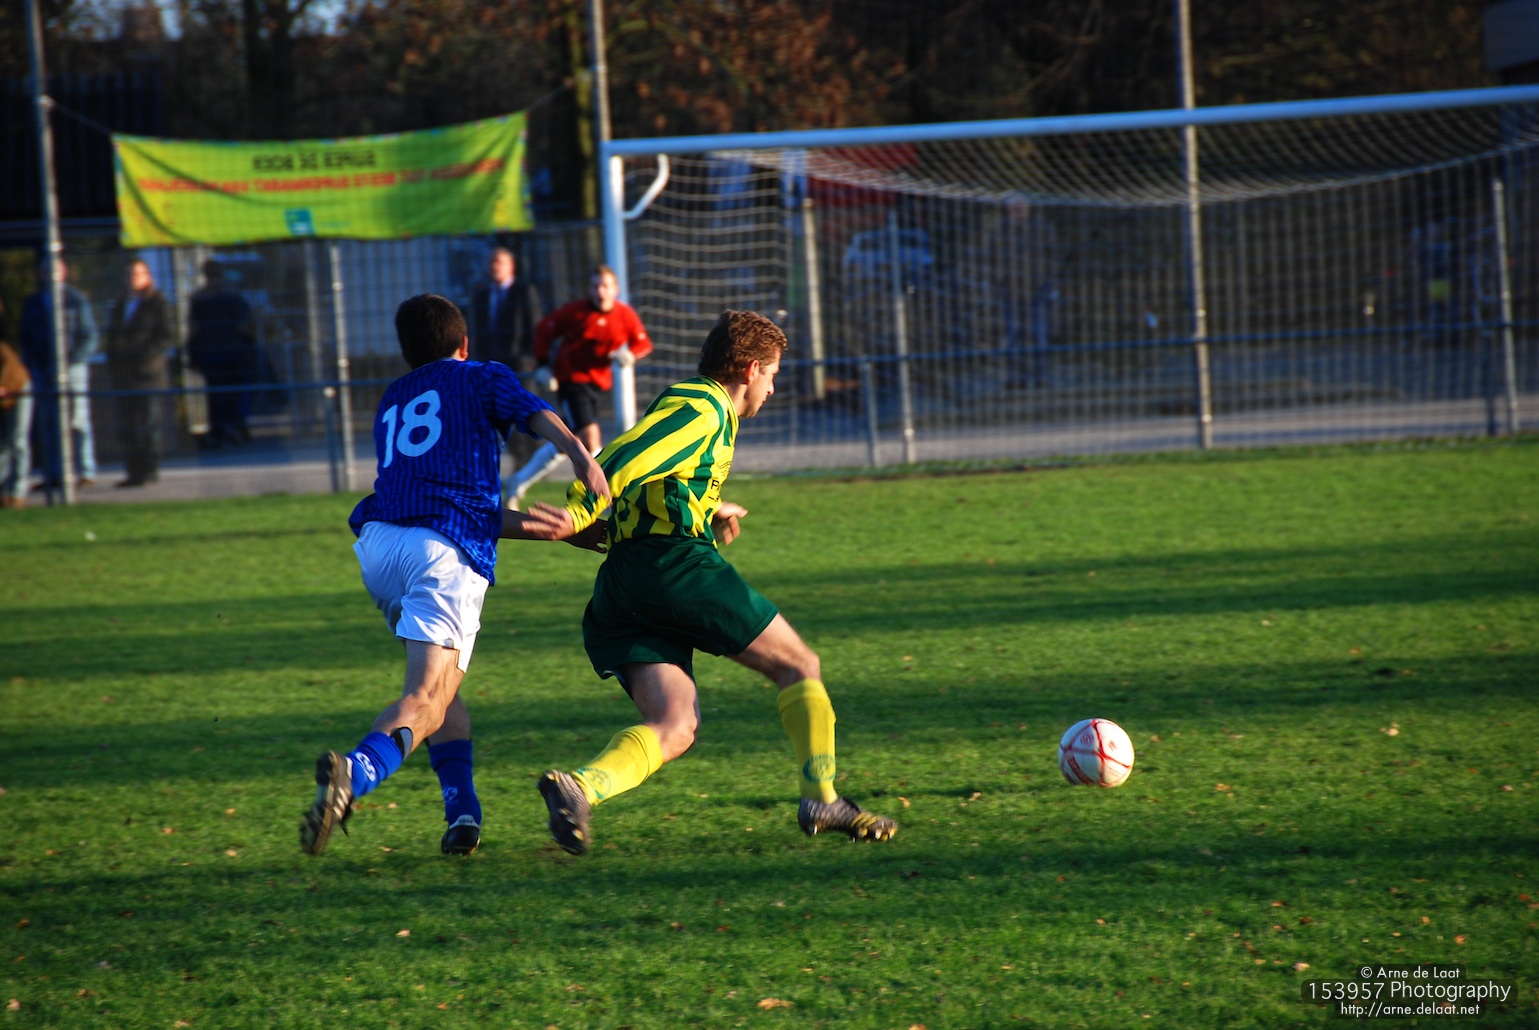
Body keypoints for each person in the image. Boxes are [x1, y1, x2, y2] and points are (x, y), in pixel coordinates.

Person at [536, 309, 898, 855]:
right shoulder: (703, 407)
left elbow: (654, 476)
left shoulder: (691, 407)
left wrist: (706, 509)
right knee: (800, 665)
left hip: (626, 582)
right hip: (673, 567)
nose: (772, 389)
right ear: (750, 369)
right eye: (772, 375)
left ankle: (581, 787)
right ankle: (822, 797)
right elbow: (622, 458)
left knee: (675, 723)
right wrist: (579, 511)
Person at [300, 293, 611, 858]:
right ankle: (355, 773)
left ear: (406, 353)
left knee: (443, 691)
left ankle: (462, 812)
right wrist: (579, 453)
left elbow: (449, 506)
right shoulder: (481, 376)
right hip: (439, 556)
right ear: (464, 345)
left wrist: (554, 531)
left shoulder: (394, 398)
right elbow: (533, 411)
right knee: (424, 698)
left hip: (380, 546)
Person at [503, 264, 651, 508]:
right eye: (595, 286)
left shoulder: (624, 315)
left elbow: (643, 343)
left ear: (615, 289)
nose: (600, 291)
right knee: (591, 439)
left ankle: (517, 483)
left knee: (563, 443)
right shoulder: (575, 312)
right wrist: (543, 365)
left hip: (596, 386)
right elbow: (544, 330)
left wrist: (630, 354)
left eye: (605, 286)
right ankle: (607, 499)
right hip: (572, 382)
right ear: (589, 289)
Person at [18, 256, 99, 491]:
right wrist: (33, 363)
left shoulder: (76, 300)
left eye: (54, 271)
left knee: (77, 420)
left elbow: (89, 336)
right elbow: (26, 337)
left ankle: (85, 471)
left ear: (64, 273)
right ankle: (55, 474)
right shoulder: (33, 302)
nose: (50, 275)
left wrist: (72, 361)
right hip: (44, 370)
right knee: (49, 422)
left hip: (72, 368)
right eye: (45, 271)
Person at [469, 246, 544, 469]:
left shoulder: (524, 291)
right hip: (492, 366)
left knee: (527, 413)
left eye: (499, 262)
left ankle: (533, 464)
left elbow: (535, 326)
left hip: (520, 365)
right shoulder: (482, 296)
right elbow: (478, 332)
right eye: (491, 262)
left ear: (511, 266)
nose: (494, 267)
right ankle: (519, 461)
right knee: (501, 416)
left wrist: (530, 357)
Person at [105, 259, 175, 488]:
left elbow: (167, 336)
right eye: (129, 274)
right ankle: (133, 471)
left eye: (137, 274)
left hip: (147, 375)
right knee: (126, 427)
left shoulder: (157, 302)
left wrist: (145, 356)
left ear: (147, 277)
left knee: (148, 425)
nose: (132, 278)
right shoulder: (119, 304)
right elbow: (112, 336)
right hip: (123, 376)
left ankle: (149, 469)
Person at [186, 260, 259, 448]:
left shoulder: (198, 298)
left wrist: (193, 352)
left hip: (209, 353)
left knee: (215, 394)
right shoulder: (233, 295)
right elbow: (244, 325)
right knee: (236, 392)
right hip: (234, 351)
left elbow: (194, 329)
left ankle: (218, 431)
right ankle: (238, 427)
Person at [0, 298, 32, 509]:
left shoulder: (5, 341)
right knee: (3, 443)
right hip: (4, 392)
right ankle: (4, 491)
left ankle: (18, 492)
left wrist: (3, 385)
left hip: (18, 387)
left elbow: (10, 366)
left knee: (17, 439)